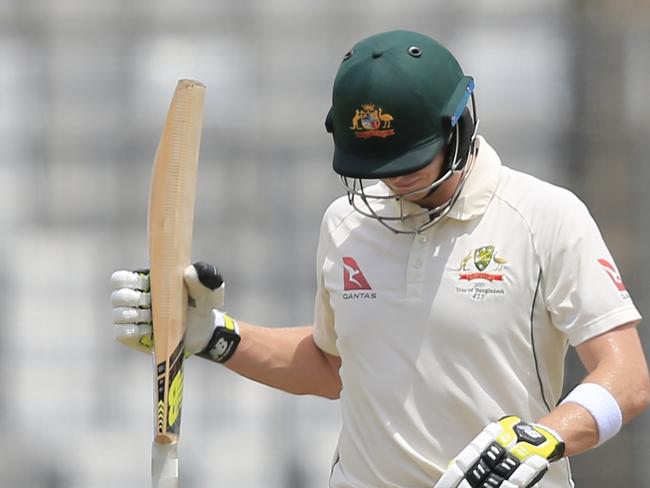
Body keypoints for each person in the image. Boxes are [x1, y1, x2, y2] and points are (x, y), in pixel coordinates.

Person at [111, 30, 650, 487]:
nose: (396, 180)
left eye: (411, 159)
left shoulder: (545, 216)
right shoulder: (345, 225)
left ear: (457, 124)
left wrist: (546, 437)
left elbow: (627, 378)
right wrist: (212, 336)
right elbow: (333, 367)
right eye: (380, 165)